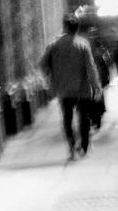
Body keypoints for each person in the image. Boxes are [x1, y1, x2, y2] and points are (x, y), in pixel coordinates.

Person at [40, 15, 101, 161]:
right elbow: (91, 67)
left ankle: (72, 145)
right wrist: (96, 86)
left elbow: (43, 64)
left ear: (65, 27)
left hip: (64, 89)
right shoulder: (83, 44)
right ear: (77, 28)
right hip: (82, 88)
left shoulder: (54, 45)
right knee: (84, 118)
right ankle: (84, 146)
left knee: (67, 119)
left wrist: (51, 77)